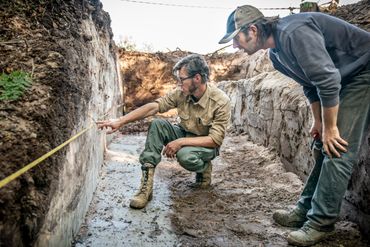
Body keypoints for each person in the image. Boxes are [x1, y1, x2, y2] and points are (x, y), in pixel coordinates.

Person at [219, 5, 370, 246]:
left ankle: (320, 222)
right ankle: (304, 209)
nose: (236, 46)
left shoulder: (294, 32)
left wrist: (331, 128)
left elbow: (328, 81)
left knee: (337, 147)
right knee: (322, 144)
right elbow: (310, 85)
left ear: (254, 30)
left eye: (237, 38)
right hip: (343, 78)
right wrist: (319, 122)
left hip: (363, 71)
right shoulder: (276, 55)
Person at [97, 54, 231, 209]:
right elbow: (154, 107)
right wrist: (120, 121)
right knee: (157, 124)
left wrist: (180, 142)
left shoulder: (220, 101)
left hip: (205, 145)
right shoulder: (181, 93)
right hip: (185, 133)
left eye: (182, 79)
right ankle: (146, 188)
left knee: (185, 155)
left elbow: (215, 140)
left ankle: (204, 168)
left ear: (197, 78)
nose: (179, 83)